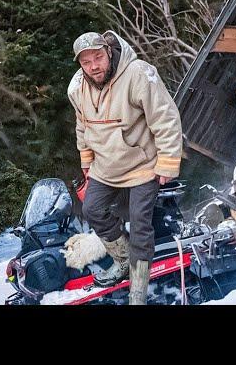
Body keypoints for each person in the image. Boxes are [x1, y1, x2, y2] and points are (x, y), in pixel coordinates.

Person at [67, 31, 183, 305]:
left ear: (108, 52)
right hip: (105, 166)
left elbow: (165, 117)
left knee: (140, 223)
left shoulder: (138, 74)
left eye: (98, 57)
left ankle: (138, 293)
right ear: (80, 65)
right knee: (92, 209)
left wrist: (167, 161)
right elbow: (82, 127)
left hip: (142, 165)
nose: (94, 66)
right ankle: (122, 260)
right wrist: (86, 161)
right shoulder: (77, 88)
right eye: (86, 62)